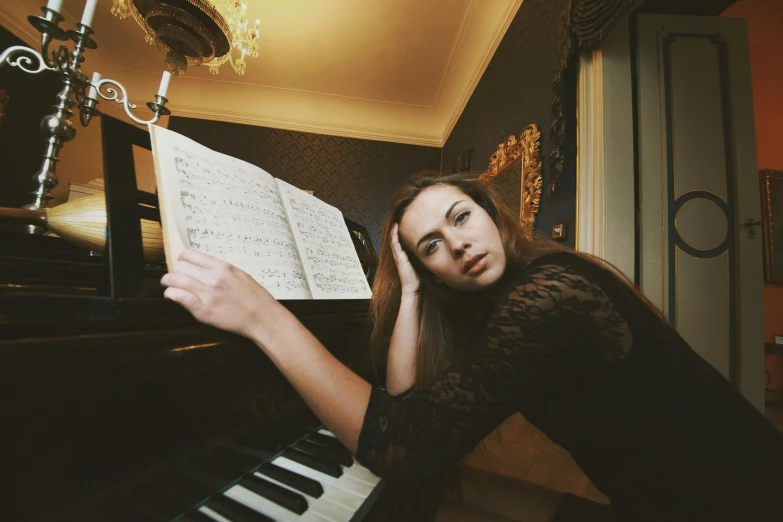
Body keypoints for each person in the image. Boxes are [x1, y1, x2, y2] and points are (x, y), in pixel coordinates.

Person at [161, 170, 783, 522]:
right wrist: (409, 291)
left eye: (460, 217)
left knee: (435, 483)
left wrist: (266, 318)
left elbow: (398, 446)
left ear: (491, 211)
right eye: (430, 245)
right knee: (448, 487)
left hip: (737, 504)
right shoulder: (508, 306)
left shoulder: (551, 298)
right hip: (663, 500)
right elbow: (408, 403)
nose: (455, 244)